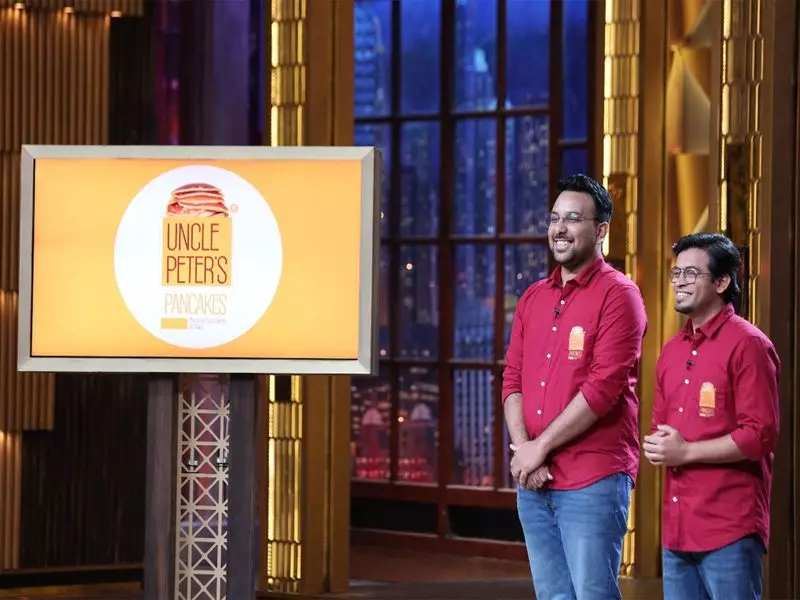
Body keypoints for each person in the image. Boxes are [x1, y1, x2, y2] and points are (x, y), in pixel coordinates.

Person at [503, 174, 647, 600]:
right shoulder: (533, 298)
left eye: (572, 219)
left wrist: (539, 447)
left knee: (593, 595)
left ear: (601, 231)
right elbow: (512, 379)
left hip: (592, 479)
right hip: (533, 482)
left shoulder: (620, 295)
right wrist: (525, 450)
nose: (559, 229)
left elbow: (603, 389)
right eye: (554, 219)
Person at [644, 232, 780, 600]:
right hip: (676, 530)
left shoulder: (748, 344)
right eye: (676, 273)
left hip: (729, 528)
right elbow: (661, 430)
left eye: (691, 273)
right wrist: (658, 446)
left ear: (721, 282)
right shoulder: (671, 351)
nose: (679, 282)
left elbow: (759, 435)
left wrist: (686, 451)